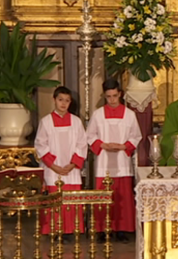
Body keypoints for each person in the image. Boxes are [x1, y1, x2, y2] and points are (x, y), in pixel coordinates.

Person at [87, 78, 142, 243]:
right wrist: (103, 145)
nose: (111, 100)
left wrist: (124, 146)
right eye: (108, 96)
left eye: (114, 96)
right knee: (103, 197)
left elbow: (136, 136)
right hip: (104, 161)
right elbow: (90, 135)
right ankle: (103, 230)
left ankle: (121, 230)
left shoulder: (129, 115)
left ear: (120, 94)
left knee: (122, 197)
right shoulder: (97, 114)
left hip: (122, 161)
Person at [34, 86, 87, 238]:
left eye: (67, 101)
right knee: (55, 199)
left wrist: (72, 164)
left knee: (71, 199)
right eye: (60, 100)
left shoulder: (76, 122)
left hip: (71, 169)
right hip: (53, 170)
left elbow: (82, 144)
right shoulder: (46, 122)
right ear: (54, 100)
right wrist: (54, 166)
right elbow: (40, 144)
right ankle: (54, 230)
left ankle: (71, 230)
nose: (63, 104)